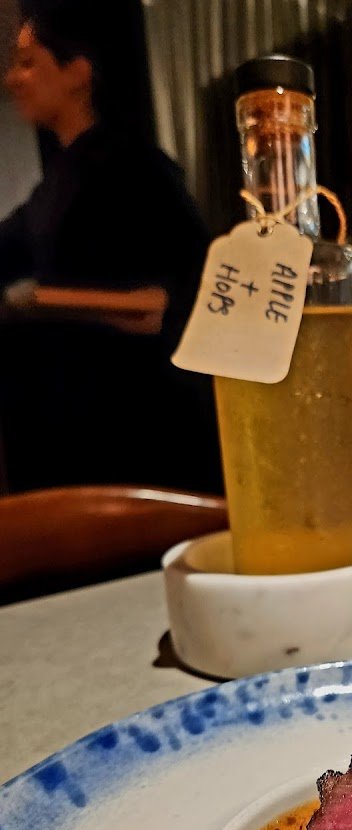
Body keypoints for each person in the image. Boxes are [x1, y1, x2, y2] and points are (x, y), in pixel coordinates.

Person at [0, 0, 221, 493]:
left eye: (28, 62)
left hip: (142, 440)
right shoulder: (53, 185)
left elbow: (172, 301)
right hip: (81, 439)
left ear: (77, 72)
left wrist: (34, 300)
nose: (12, 79)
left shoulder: (135, 167)